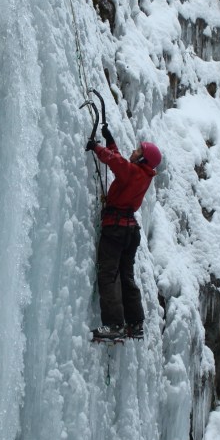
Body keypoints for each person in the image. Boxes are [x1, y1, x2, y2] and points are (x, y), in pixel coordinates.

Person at [86, 124, 162, 342]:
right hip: (130, 232)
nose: (134, 151)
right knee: (126, 276)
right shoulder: (142, 175)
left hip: (116, 230)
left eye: (138, 151)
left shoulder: (132, 172)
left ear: (142, 160)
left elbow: (115, 162)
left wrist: (96, 147)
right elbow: (120, 161)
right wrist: (110, 141)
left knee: (107, 274)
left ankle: (114, 325)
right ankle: (135, 323)